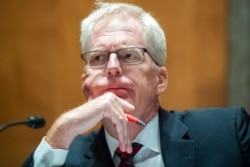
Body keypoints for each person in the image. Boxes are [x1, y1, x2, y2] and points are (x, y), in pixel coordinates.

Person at [22, 2, 250, 167]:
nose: (112, 67)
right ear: (87, 88)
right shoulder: (62, 155)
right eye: (98, 58)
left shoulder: (226, 134)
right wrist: (64, 128)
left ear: (160, 80)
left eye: (129, 55)